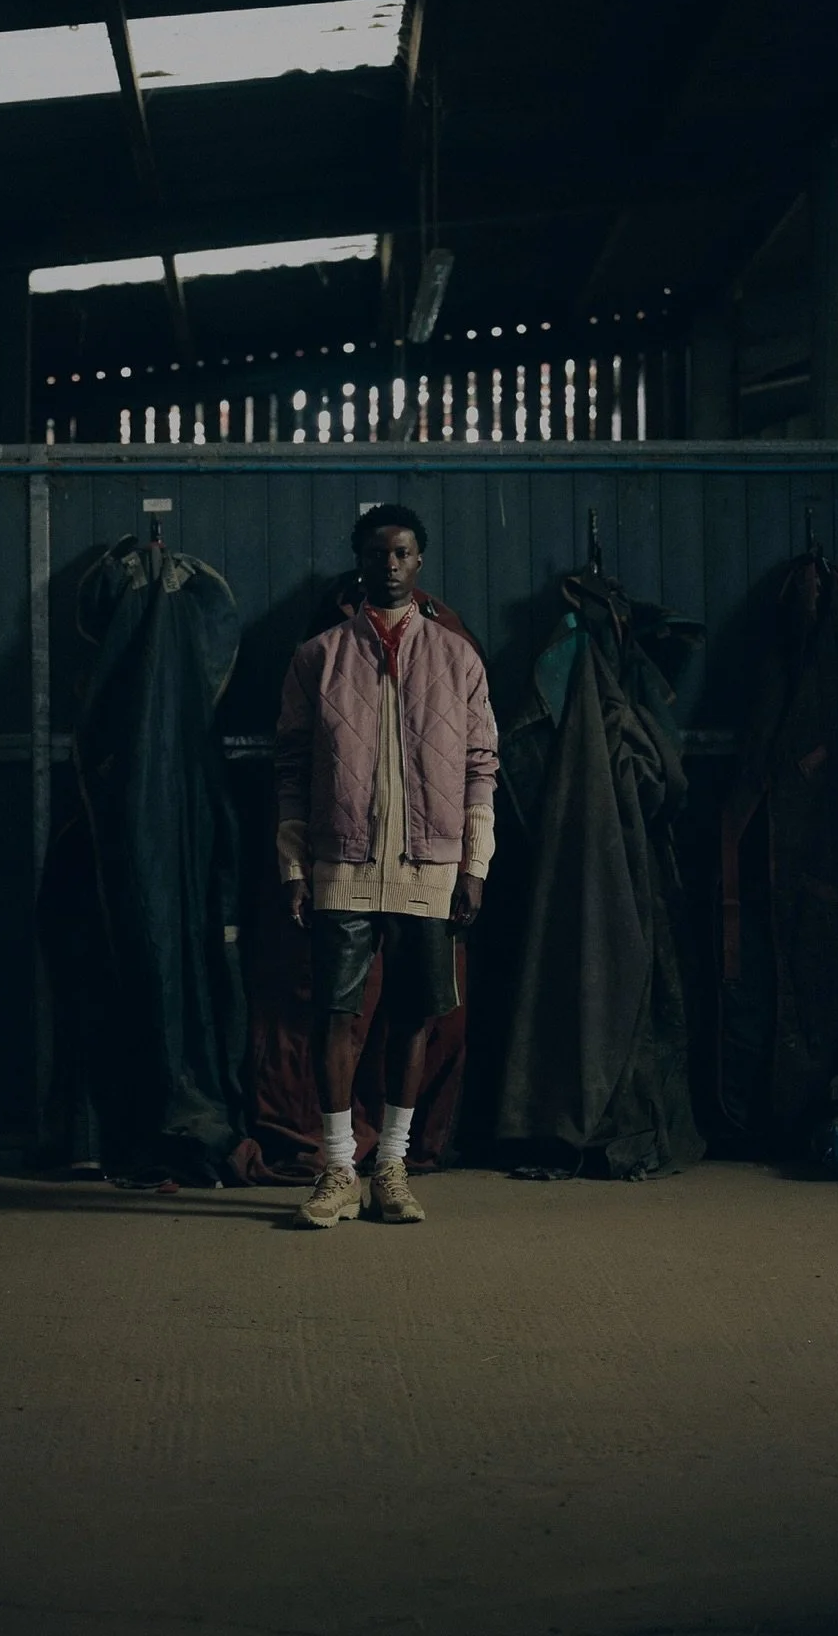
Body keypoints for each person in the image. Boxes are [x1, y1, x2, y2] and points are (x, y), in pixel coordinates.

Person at [274, 504, 498, 1227]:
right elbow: (289, 768)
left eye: (402, 552)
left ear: (419, 562)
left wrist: (475, 863)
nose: (391, 564)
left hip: (429, 867)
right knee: (335, 1015)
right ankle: (338, 1169)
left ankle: (391, 1166)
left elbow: (479, 765)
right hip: (341, 861)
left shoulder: (457, 658)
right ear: (360, 563)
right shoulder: (319, 657)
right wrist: (294, 867)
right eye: (378, 554)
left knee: (413, 1017)